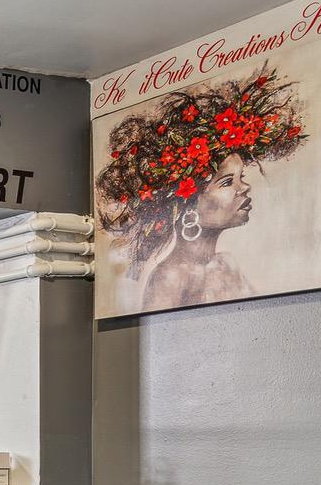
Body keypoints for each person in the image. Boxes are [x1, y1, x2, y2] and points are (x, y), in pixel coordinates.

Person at [95, 63, 308, 313]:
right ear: (186, 204)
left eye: (241, 177)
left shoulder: (227, 265)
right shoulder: (169, 278)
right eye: (227, 182)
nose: (245, 187)